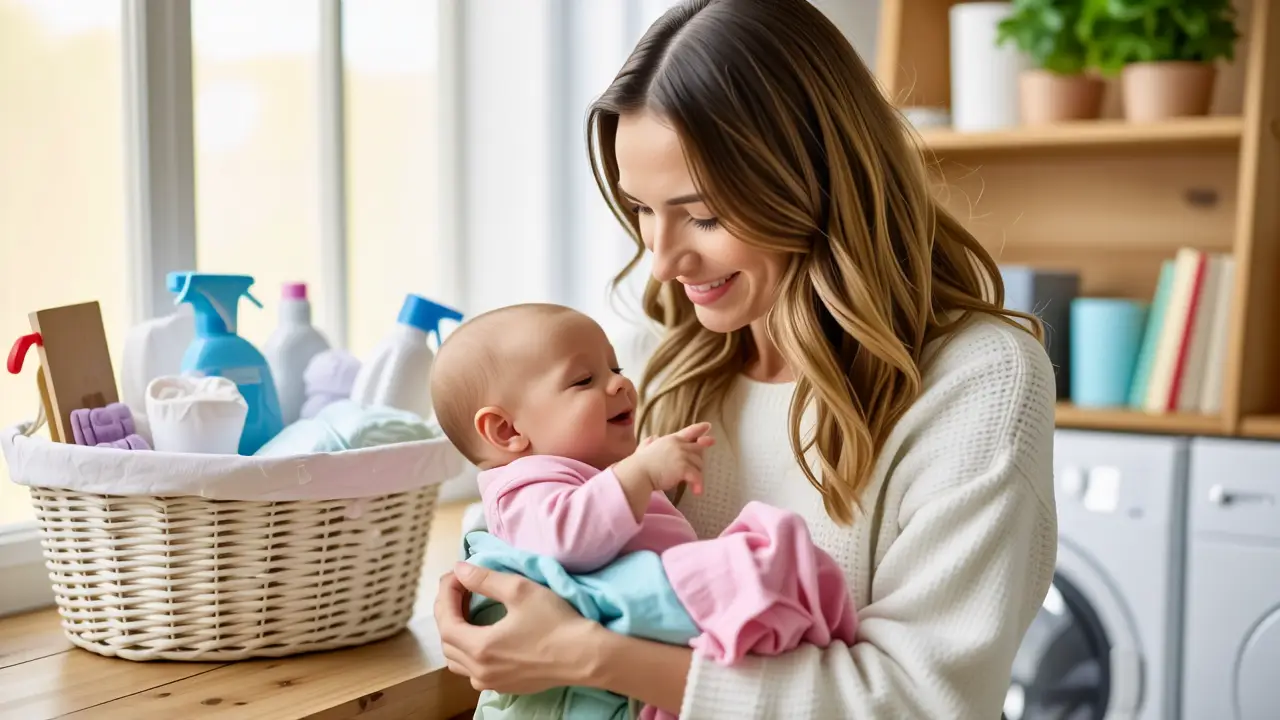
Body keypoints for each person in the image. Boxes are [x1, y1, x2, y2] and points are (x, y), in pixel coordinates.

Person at [434, 0, 1058, 716]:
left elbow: (920, 700)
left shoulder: (975, 382)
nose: (663, 261)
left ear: (814, 183)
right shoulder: (653, 364)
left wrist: (590, 656)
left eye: (702, 215)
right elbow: (539, 516)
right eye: (641, 209)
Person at [430, 302, 857, 718]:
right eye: (583, 380)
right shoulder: (523, 484)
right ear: (507, 430)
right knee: (763, 564)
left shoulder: (585, 472)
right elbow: (565, 542)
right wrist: (639, 474)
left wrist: (639, 472)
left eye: (615, 370)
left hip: (645, 647)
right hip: (622, 636)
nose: (620, 384)